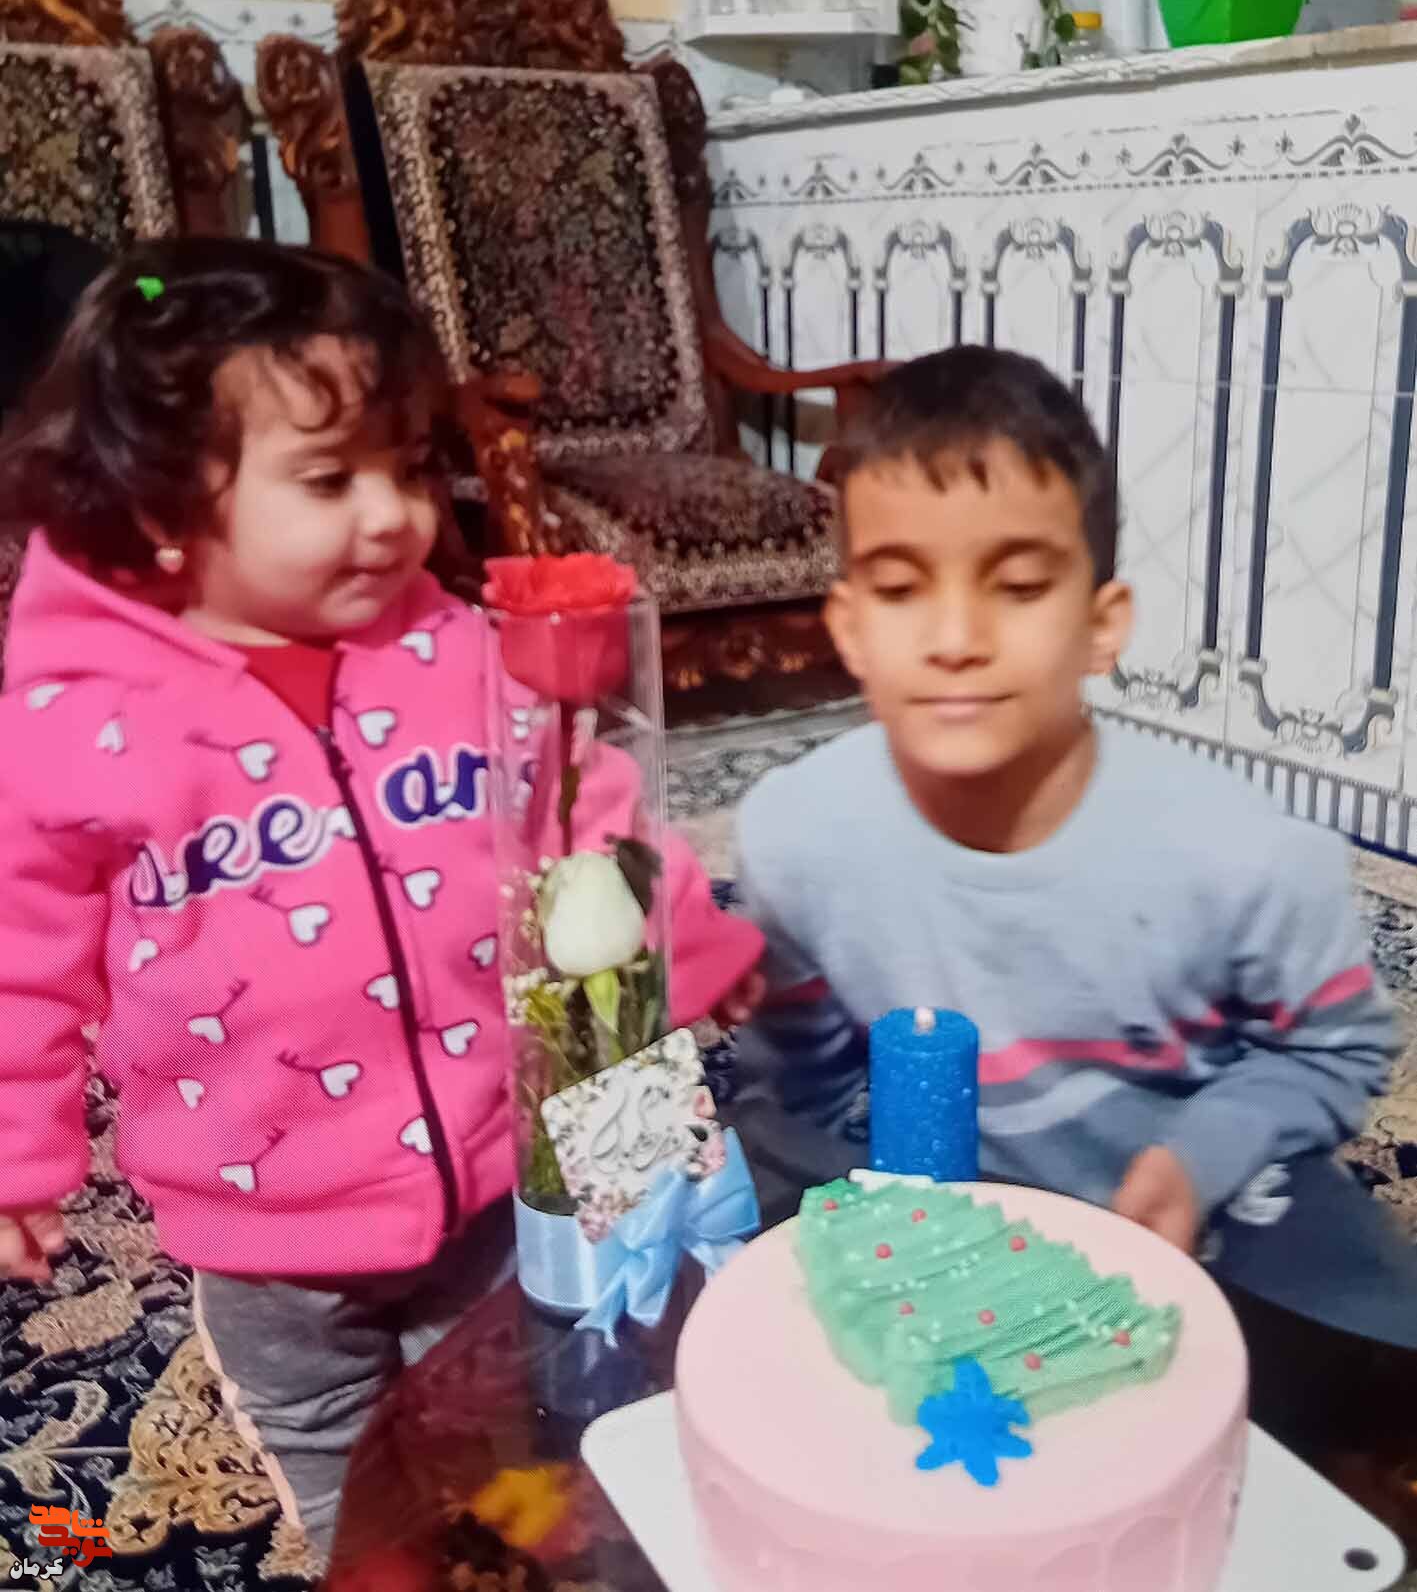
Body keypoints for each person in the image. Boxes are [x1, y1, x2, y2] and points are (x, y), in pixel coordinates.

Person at [0, 238, 763, 1566]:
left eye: (406, 468)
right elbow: (21, 953)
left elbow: (579, 808)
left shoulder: (444, 644)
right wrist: (20, 1151)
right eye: (326, 479)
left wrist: (687, 943)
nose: (392, 515)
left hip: (483, 1170)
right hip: (268, 1222)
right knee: (349, 1487)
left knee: (502, 1426)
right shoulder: (79, 722)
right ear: (162, 497)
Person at [732, 344, 1417, 1380]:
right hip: (958, 1229)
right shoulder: (794, 836)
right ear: (849, 629)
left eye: (1015, 586)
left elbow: (1336, 1051)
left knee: (1354, 1401)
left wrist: (1198, 1158)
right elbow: (800, 1091)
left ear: (1102, 627)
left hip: (1212, 1220)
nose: (954, 638)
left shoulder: (1246, 854)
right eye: (900, 588)